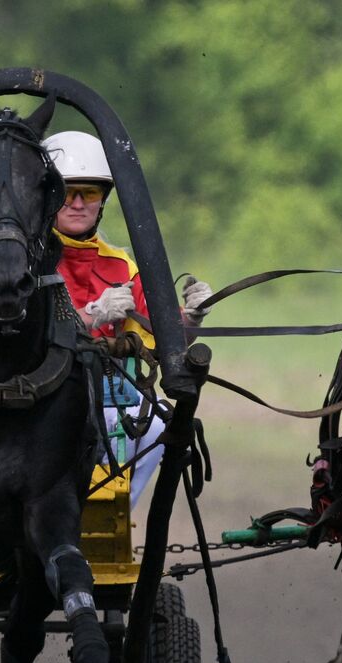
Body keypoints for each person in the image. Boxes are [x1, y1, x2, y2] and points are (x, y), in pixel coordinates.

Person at [41, 130, 213, 501]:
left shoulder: (121, 265)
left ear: (102, 201)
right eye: (67, 192)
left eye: (89, 193)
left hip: (106, 394)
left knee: (154, 425)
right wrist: (90, 318)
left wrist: (191, 320)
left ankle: (115, 518)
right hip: (41, 393)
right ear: (46, 196)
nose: (77, 203)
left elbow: (161, 340)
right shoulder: (24, 260)